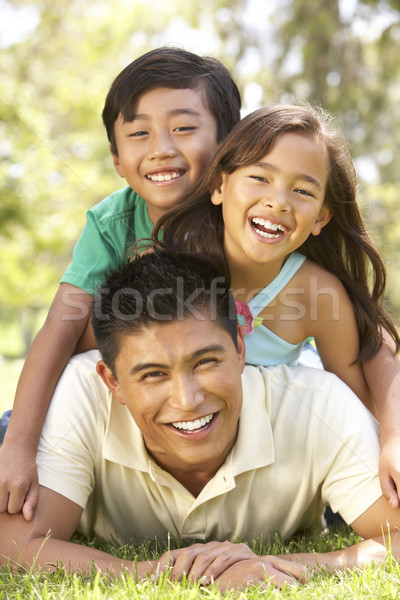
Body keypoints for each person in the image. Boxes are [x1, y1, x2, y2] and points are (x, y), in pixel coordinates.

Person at [0, 247, 400, 591]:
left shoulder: (318, 403)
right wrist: (155, 573)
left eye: (206, 361)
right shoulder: (82, 392)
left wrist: (284, 565)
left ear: (241, 349)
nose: (187, 400)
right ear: (113, 382)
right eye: (153, 374)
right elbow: (14, 544)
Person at [0, 47, 241, 520]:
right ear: (116, 157)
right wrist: (19, 444)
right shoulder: (111, 222)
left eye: (184, 128)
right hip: (126, 394)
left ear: (228, 142)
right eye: (138, 134)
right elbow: (60, 330)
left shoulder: (248, 213)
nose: (161, 148)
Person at [155, 104, 400, 508]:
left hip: (277, 453)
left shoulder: (316, 293)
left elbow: (354, 406)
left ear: (321, 217)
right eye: (260, 178)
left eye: (302, 191)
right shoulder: (175, 267)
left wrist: (391, 439)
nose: (279, 201)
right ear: (219, 186)